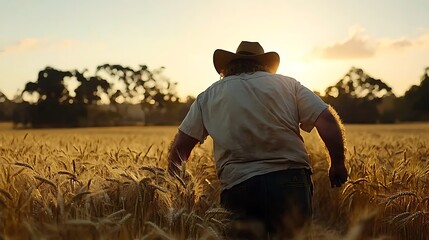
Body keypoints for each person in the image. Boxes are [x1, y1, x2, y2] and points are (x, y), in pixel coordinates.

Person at [167, 41, 348, 239]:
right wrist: (337, 163)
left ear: (228, 66)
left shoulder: (208, 96)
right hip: (290, 181)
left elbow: (180, 146)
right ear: (265, 65)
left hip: (239, 186)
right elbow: (326, 119)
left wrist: (176, 188)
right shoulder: (288, 85)